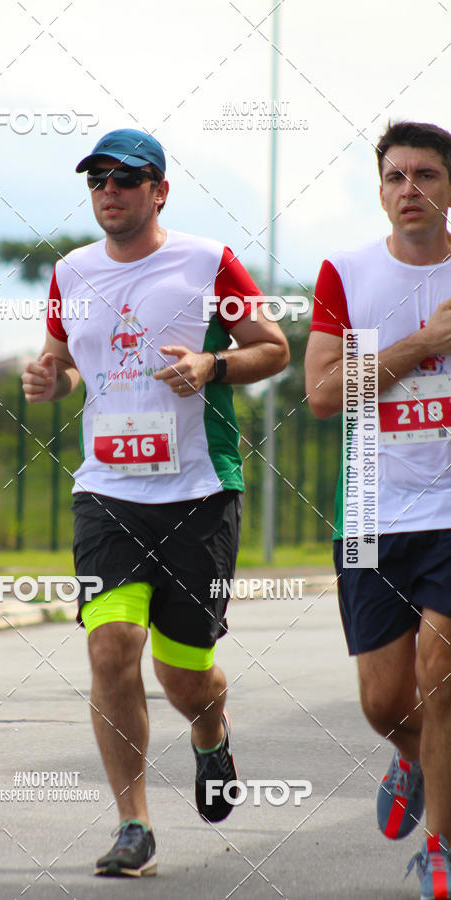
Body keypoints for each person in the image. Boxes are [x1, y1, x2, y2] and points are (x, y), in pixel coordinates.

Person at [21, 128, 289, 877]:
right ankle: (133, 824)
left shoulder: (207, 261)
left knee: (184, 673)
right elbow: (65, 360)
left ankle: (211, 737)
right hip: (107, 491)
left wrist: (213, 363)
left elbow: (273, 346)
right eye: (98, 179)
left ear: (159, 190)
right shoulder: (71, 272)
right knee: (111, 649)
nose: (110, 190)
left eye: (126, 178)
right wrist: (53, 381)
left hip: (199, 491)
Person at [304, 121, 451, 900]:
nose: (410, 190)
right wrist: (420, 344)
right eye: (396, 177)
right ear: (381, 188)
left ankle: (441, 850)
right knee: (385, 703)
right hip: (371, 513)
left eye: (426, 174)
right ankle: (416, 759)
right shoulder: (347, 274)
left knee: (442, 668)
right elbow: (324, 395)